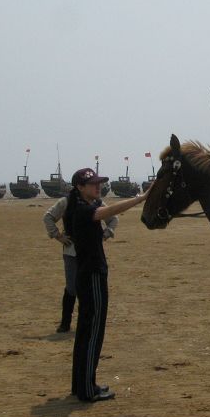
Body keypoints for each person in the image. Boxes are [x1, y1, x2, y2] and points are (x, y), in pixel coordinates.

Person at [64, 168, 150, 402]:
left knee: (84, 332)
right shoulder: (82, 209)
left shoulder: (77, 205)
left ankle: (81, 384)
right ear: (80, 188)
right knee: (93, 332)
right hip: (92, 274)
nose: (97, 186)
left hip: (87, 273)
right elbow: (109, 211)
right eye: (92, 184)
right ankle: (87, 389)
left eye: (98, 182)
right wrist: (140, 198)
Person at [43, 196, 118, 333]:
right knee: (71, 287)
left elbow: (113, 219)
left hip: (93, 253)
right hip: (72, 252)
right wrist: (58, 236)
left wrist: (107, 233)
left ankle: (87, 323)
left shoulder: (98, 203)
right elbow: (48, 217)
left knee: (90, 289)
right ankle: (65, 323)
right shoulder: (66, 202)